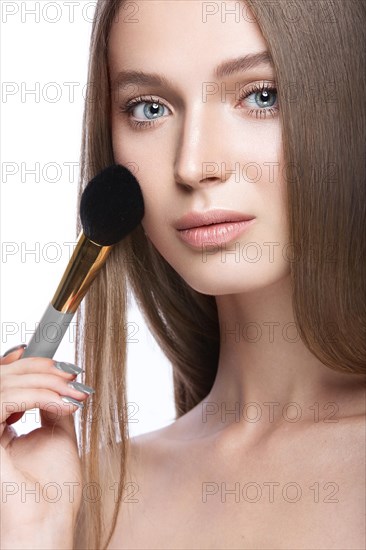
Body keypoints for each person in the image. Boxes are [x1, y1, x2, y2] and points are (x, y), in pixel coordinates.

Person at [1, 1, 365, 549]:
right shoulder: (73, 494)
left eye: (261, 96)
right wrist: (36, 537)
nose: (193, 165)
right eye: (149, 108)